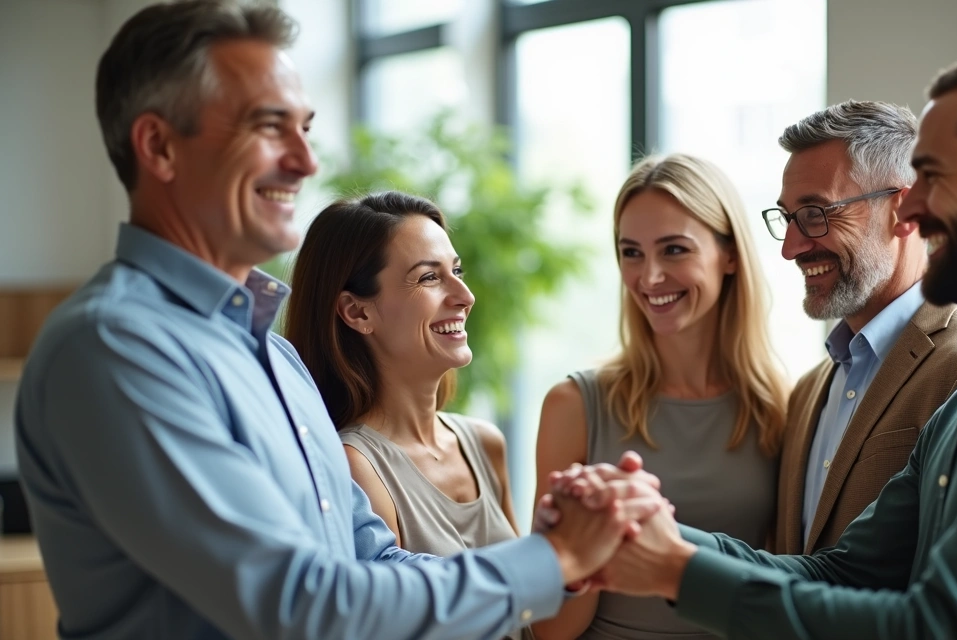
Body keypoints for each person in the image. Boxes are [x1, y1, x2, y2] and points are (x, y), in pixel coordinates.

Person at [13, 2, 658, 638]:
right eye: (269, 127)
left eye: (305, 128)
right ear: (159, 146)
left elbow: (371, 563)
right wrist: (550, 559)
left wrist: (556, 555)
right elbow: (302, 606)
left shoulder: (275, 356)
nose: (306, 161)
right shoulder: (114, 348)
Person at [544, 48, 957, 639]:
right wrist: (651, 533)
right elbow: (843, 570)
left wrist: (676, 570)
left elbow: (939, 626)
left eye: (932, 177)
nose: (910, 211)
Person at [530, 153, 788, 640]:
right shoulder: (574, 406)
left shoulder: (781, 409)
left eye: (673, 250)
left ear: (730, 255)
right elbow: (551, 631)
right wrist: (579, 548)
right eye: (631, 252)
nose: (649, 278)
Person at [284, 192, 528, 639]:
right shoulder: (354, 466)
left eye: (456, 271)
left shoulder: (483, 442)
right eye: (429, 278)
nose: (465, 296)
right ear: (357, 311)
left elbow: (538, 625)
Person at [763, 101, 957, 554]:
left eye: (816, 213)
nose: (791, 248)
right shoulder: (807, 393)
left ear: (904, 211)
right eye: (788, 217)